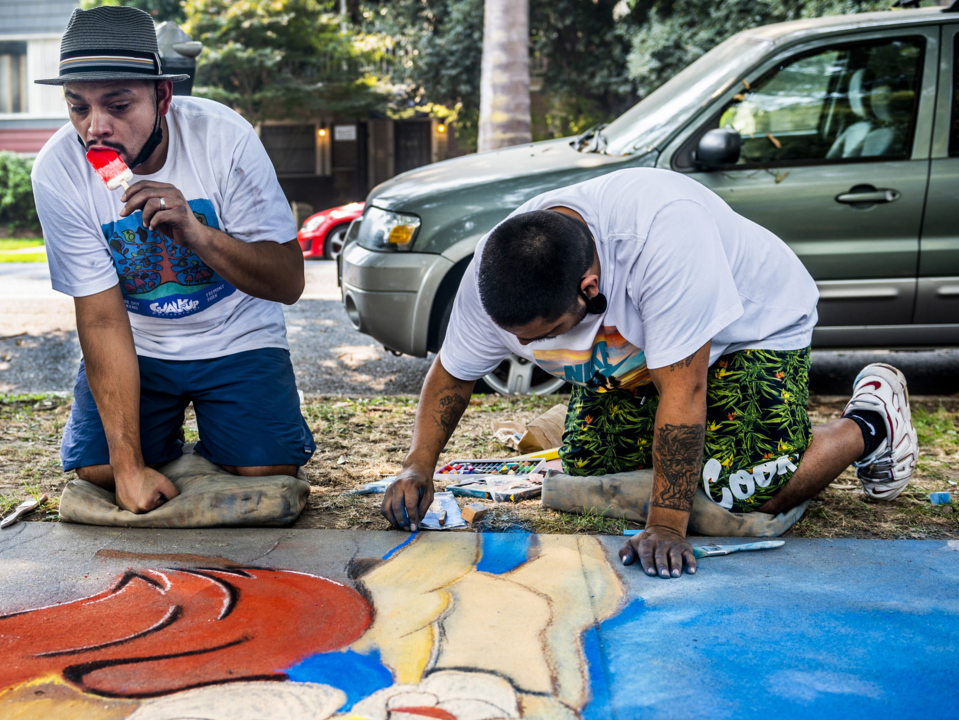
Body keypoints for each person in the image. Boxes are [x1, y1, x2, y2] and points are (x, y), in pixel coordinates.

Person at [382, 168, 917, 578]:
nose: (523, 348)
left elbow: (685, 392)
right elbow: (452, 375)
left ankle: (869, 423)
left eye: (543, 334)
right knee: (590, 469)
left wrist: (665, 523)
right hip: (642, 354)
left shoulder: (661, 237)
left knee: (738, 490)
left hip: (751, 330)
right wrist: (416, 468)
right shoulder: (499, 268)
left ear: (589, 288)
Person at [31, 6, 314, 514]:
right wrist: (127, 468)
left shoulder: (224, 138)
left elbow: (288, 282)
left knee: (268, 472)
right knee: (99, 472)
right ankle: (162, 451)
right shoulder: (57, 170)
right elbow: (100, 318)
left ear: (163, 97)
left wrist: (199, 236)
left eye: (119, 105)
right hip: (139, 344)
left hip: (237, 333)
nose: (96, 128)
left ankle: (223, 441)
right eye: (78, 107)